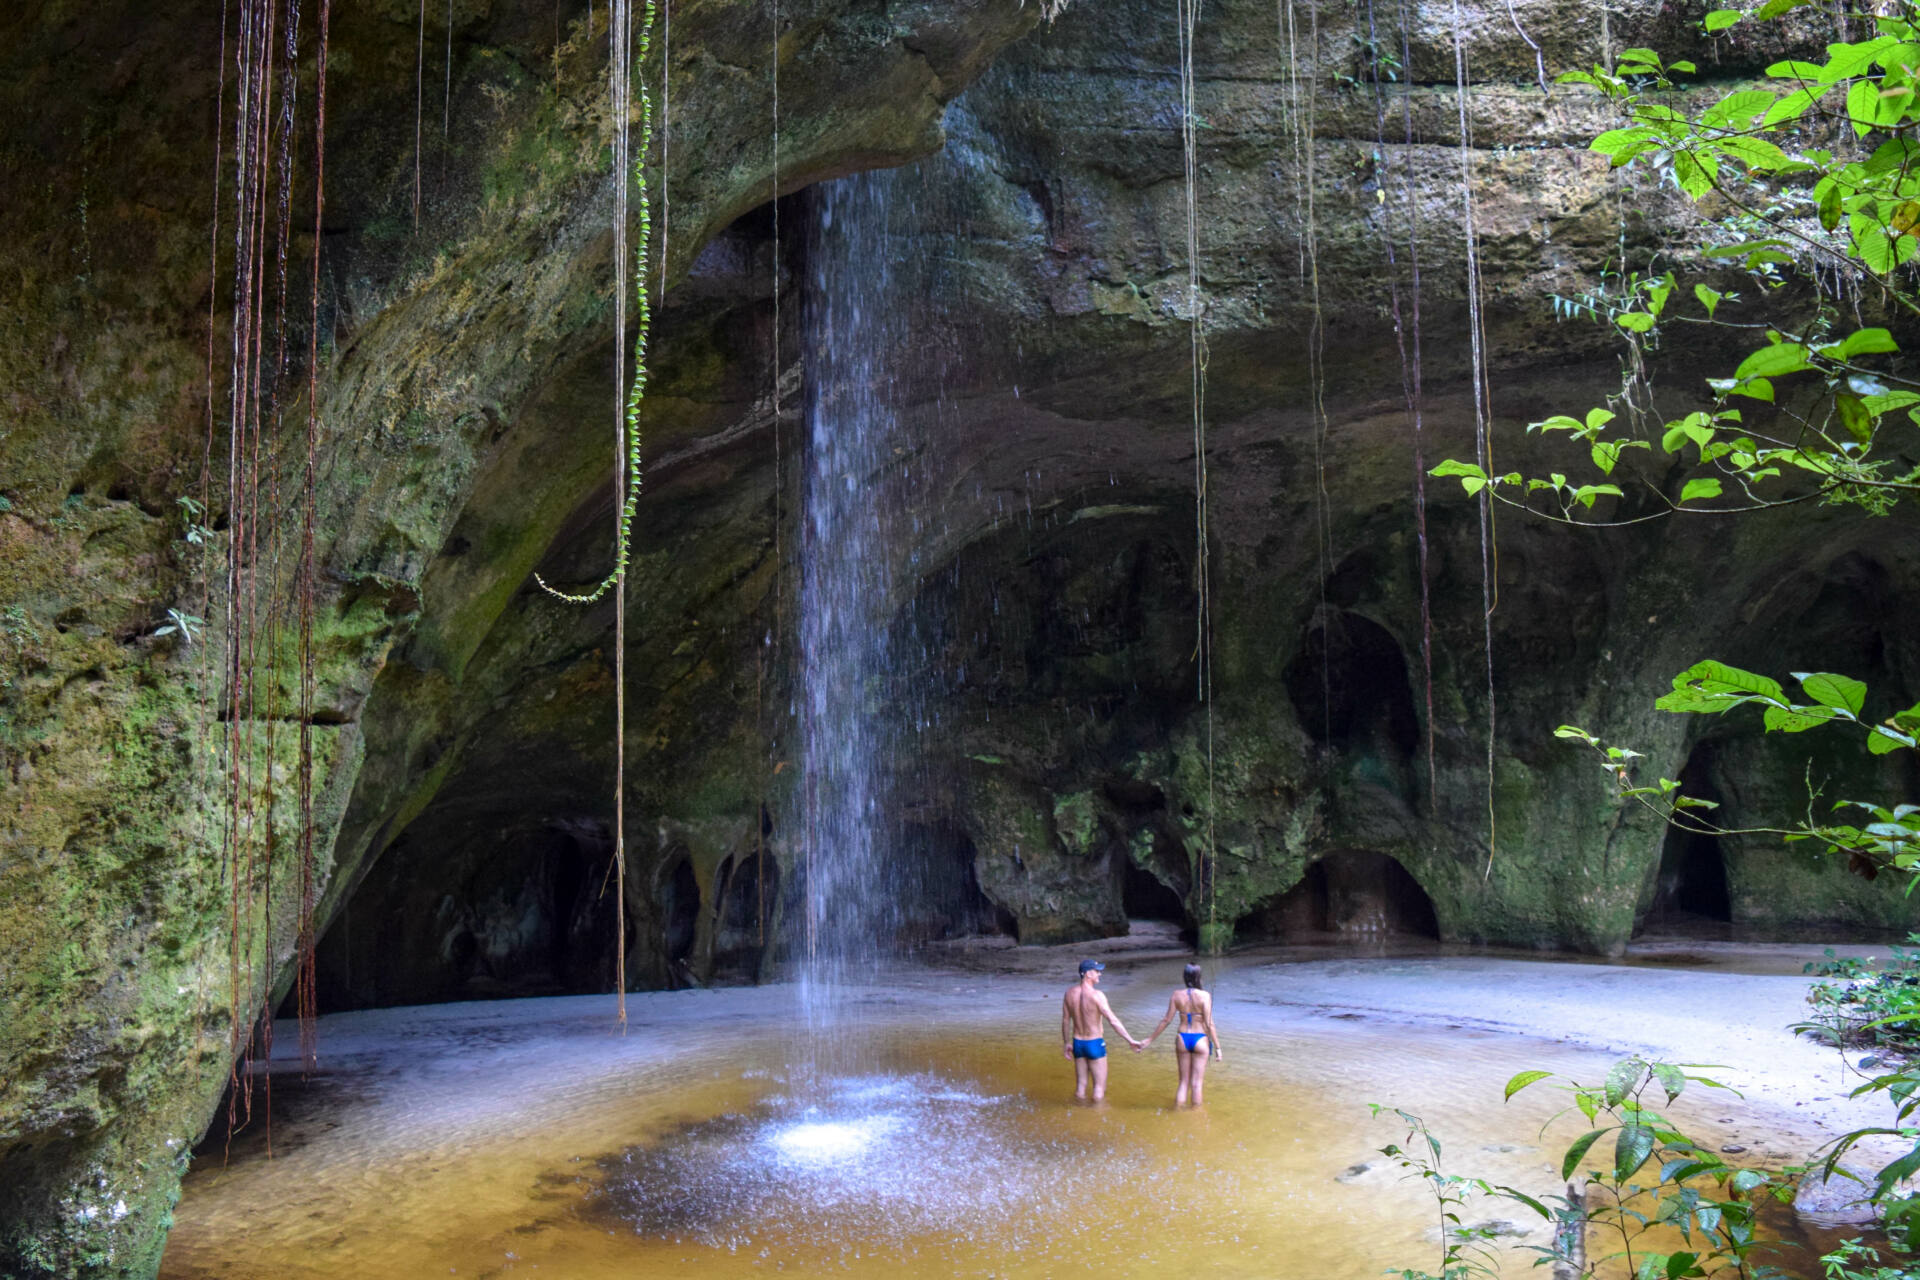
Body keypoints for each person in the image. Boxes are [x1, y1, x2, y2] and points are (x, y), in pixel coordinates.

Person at [1139, 962, 1223, 1106]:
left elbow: (1166, 1020)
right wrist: (1218, 1048)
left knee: (1183, 1082)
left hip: (1182, 1039)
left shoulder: (1176, 995)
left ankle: (1177, 1112)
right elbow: (1209, 1024)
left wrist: (1149, 1039)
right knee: (1197, 1084)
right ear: (1199, 977)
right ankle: (1195, 1119)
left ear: (1184, 977)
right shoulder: (1205, 996)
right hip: (1200, 1039)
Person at [1061, 959, 1141, 1101]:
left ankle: (1079, 1117)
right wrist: (1130, 1040)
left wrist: (1066, 1042)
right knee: (1099, 1088)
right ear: (1088, 974)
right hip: (1094, 1043)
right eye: (1097, 971)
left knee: (1081, 1087)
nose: (1100, 974)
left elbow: (1066, 1020)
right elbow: (1113, 1020)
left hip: (1078, 1043)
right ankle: (1098, 1118)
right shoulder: (1097, 995)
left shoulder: (1069, 993)